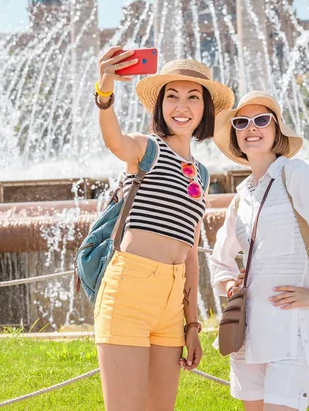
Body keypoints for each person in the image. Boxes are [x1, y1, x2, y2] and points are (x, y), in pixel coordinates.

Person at [93, 47, 234, 411]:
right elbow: (115, 141)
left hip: (172, 305)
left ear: (204, 109)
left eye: (192, 98)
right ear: (160, 106)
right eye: (172, 97)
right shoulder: (147, 149)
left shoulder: (201, 175)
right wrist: (104, 93)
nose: (181, 106)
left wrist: (192, 324)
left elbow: (190, 255)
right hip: (129, 290)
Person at [210, 91, 309, 411]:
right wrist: (231, 284)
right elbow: (220, 258)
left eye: (261, 120)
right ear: (235, 134)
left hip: (292, 330)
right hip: (247, 334)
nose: (251, 127)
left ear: (276, 131)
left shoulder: (294, 173)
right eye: (242, 122)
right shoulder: (241, 196)